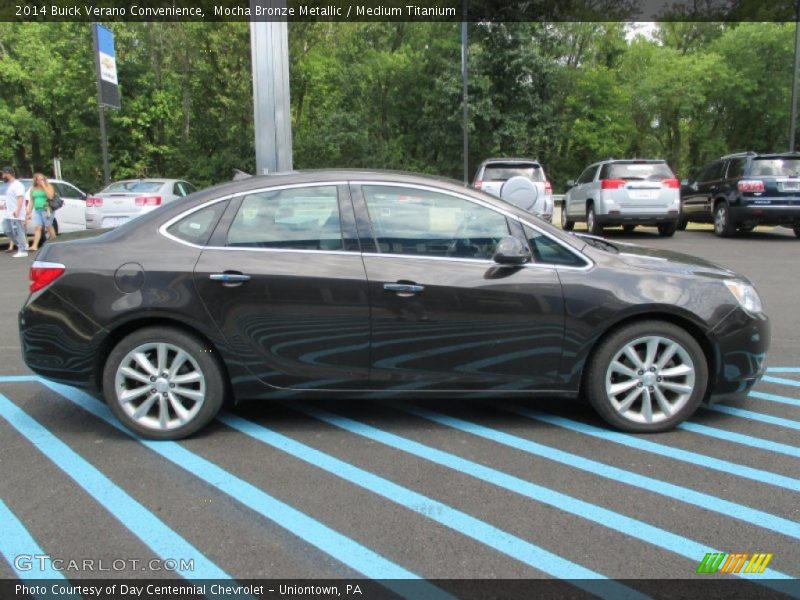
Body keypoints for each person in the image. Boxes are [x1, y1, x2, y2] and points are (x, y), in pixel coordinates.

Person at [1, 166, 28, 257]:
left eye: (4, 174)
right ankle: (22, 245)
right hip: (8, 213)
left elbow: (20, 198)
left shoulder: (17, 185)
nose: (2, 176)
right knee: (7, 229)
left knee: (18, 231)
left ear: (8, 173)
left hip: (16, 213)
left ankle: (23, 249)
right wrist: (4, 205)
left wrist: (17, 210)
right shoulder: (11, 185)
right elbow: (11, 199)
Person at [26, 173, 55, 251]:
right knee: (37, 227)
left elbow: (50, 196)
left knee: (48, 226)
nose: (40, 181)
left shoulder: (48, 186)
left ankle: (55, 241)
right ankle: (34, 245)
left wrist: (44, 186)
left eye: (42, 179)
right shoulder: (33, 189)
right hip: (37, 210)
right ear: (36, 180)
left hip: (46, 209)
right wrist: (29, 212)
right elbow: (32, 201)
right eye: (39, 179)